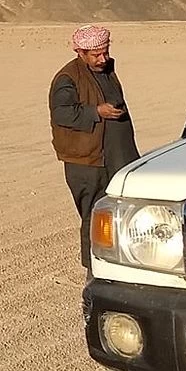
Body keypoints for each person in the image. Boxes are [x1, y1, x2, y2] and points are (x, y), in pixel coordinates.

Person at [50, 24, 140, 266]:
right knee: (94, 215)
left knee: (125, 212)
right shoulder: (67, 78)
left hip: (116, 155)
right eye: (96, 55)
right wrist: (96, 111)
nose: (103, 58)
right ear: (80, 52)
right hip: (88, 163)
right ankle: (95, 268)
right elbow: (62, 114)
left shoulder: (106, 69)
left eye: (105, 52)